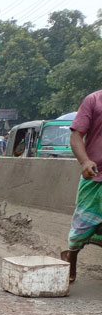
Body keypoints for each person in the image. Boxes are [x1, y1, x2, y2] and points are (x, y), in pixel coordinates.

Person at [60, 88, 102, 283]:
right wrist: (85, 162)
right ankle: (71, 257)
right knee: (81, 227)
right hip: (95, 175)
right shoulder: (93, 100)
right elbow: (76, 136)